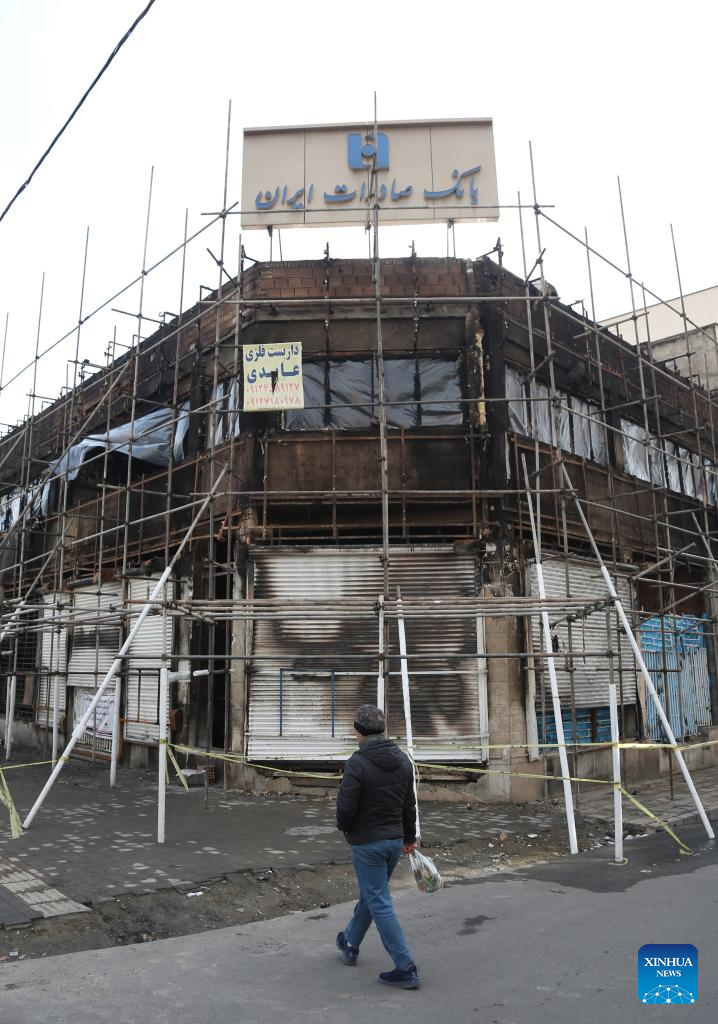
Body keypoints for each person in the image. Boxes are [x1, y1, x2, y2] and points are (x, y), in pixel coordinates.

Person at [335, 703, 420, 990]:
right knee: (373, 896)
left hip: (367, 843)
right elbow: (409, 805)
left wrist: (346, 828)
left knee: (379, 902)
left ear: (359, 732)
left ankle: (405, 966)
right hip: (394, 842)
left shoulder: (357, 763)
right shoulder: (404, 760)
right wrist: (409, 838)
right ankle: (350, 942)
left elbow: (345, 810)